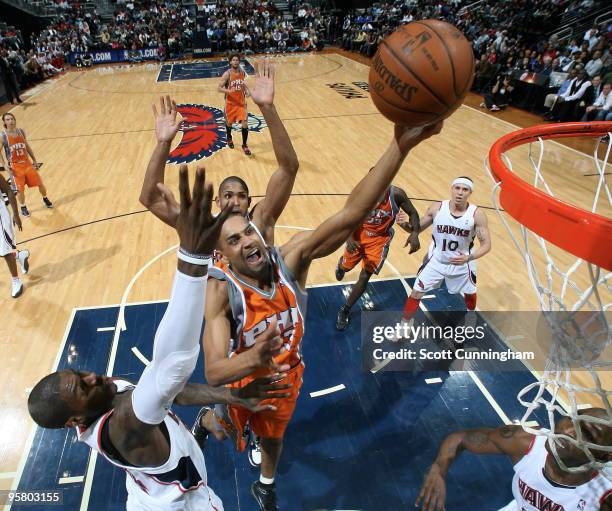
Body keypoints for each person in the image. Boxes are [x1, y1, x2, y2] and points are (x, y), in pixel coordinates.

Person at [201, 73, 443, 509]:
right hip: (239, 381)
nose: (247, 240)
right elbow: (214, 371)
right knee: (222, 423)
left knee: (275, 438)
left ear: (260, 228)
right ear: (221, 249)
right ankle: (208, 418)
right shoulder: (218, 291)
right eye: (233, 240)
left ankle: (267, 484)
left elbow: (351, 212)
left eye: (250, 232)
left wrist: (401, 147)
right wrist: (251, 360)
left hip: (285, 374)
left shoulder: (291, 258)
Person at [27, 166, 291, 511]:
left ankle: (214, 419)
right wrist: (193, 256)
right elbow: (173, 365)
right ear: (74, 421)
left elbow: (173, 391)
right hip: (184, 504)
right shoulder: (126, 425)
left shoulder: (102, 398)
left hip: (143, 493)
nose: (91, 376)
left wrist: (233, 396)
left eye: (79, 375)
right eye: (82, 386)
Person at [140, 61, 299, 249]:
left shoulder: (260, 221)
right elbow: (150, 199)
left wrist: (267, 108)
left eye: (241, 197)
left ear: (249, 202)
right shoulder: (204, 229)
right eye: (228, 196)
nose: (235, 202)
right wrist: (163, 143)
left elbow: (289, 168)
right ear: (217, 202)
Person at [416, 408, 612, 510]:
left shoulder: (604, 497)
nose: (567, 431)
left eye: (586, 433)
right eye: (572, 419)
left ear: (603, 456)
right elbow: (460, 438)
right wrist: (437, 469)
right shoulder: (524, 442)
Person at [401, 177, 491, 323]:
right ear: (452, 189)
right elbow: (415, 229)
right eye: (457, 188)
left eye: (465, 189)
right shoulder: (437, 208)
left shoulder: (477, 215)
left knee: (469, 293)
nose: (460, 193)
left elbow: (486, 245)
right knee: (416, 292)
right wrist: (403, 224)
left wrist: (469, 258)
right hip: (436, 260)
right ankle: (404, 325)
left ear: (470, 193)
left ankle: (471, 314)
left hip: (462, 263)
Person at [335, 184, 420, 330]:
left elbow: (413, 213)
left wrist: (415, 233)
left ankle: (345, 309)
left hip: (379, 241)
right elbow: (348, 216)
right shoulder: (362, 192)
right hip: (358, 235)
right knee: (346, 267)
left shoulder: (397, 194)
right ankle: (341, 266)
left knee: (365, 276)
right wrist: (348, 237)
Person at [0, 113, 53, 217]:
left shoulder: (21, 131)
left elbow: (27, 146)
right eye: (8, 119)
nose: (11, 121)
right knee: (20, 190)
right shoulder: (3, 136)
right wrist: (5, 165)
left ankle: (45, 198)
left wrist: (34, 160)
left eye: (12, 119)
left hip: (27, 163)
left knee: (40, 183)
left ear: (14, 120)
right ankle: (23, 207)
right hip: (15, 167)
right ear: (4, 122)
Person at [0, 173, 29, 298]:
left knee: (5, 251)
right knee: (2, 251)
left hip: (1, 219)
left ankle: (16, 281)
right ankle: (19, 256)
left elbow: (9, 191)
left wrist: (16, 214)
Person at [218, 53, 251, 155]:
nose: (235, 62)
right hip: (230, 104)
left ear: (239, 61)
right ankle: (229, 137)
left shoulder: (242, 72)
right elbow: (219, 87)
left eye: (237, 60)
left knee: (245, 123)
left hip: (241, 103)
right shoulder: (227, 74)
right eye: (234, 60)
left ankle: (244, 145)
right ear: (230, 62)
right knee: (229, 123)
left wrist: (247, 90)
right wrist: (228, 91)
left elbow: (242, 83)